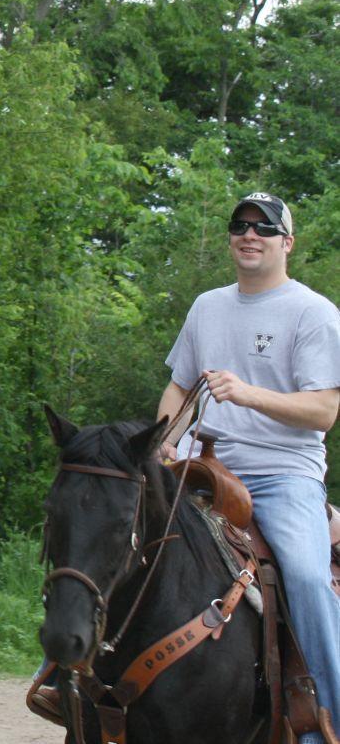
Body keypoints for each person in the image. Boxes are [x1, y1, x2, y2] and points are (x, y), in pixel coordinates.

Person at [159, 192, 340, 743]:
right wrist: (165, 442)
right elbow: (178, 385)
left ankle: (329, 717)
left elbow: (325, 410)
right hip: (200, 466)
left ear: (287, 242)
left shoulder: (312, 312)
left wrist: (248, 394)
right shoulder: (207, 306)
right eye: (240, 225)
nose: (250, 235)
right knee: (119, 531)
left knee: (308, 579)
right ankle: (68, 677)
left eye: (264, 228)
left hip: (281, 474)